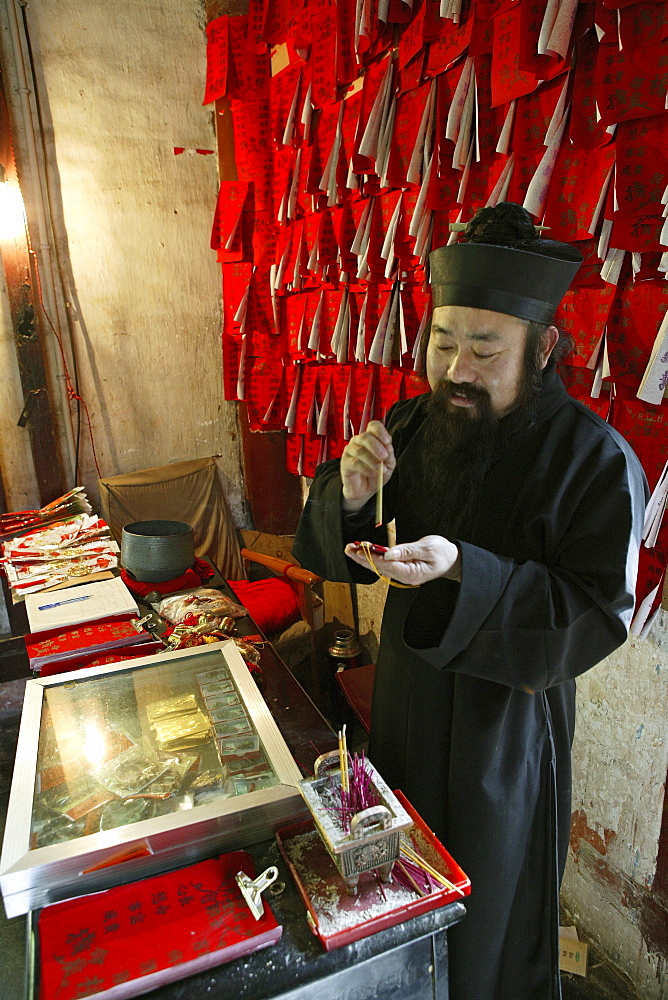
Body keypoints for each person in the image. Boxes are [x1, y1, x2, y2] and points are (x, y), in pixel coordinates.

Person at [292, 202, 648, 1000]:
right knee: (404, 879)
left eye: (486, 349)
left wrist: (465, 571)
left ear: (544, 347)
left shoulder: (594, 460)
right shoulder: (420, 422)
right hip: (410, 695)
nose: (457, 368)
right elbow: (338, 546)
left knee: (492, 916)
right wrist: (349, 496)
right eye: (444, 343)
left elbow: (595, 614)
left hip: (508, 731)